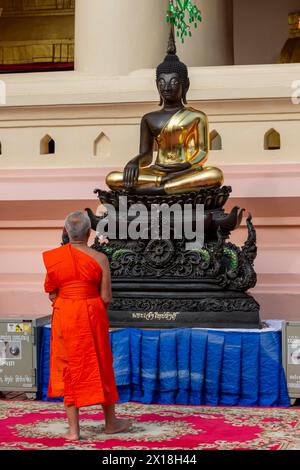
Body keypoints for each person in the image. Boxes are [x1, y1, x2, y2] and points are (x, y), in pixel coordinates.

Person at [42, 211, 131, 440]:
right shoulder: (100, 258)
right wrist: (90, 308)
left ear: (65, 232)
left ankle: (74, 431)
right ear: (89, 233)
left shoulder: (55, 257)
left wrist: (68, 301)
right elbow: (107, 297)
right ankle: (110, 423)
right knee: (101, 362)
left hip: (66, 314)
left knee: (68, 363)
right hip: (92, 313)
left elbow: (52, 292)